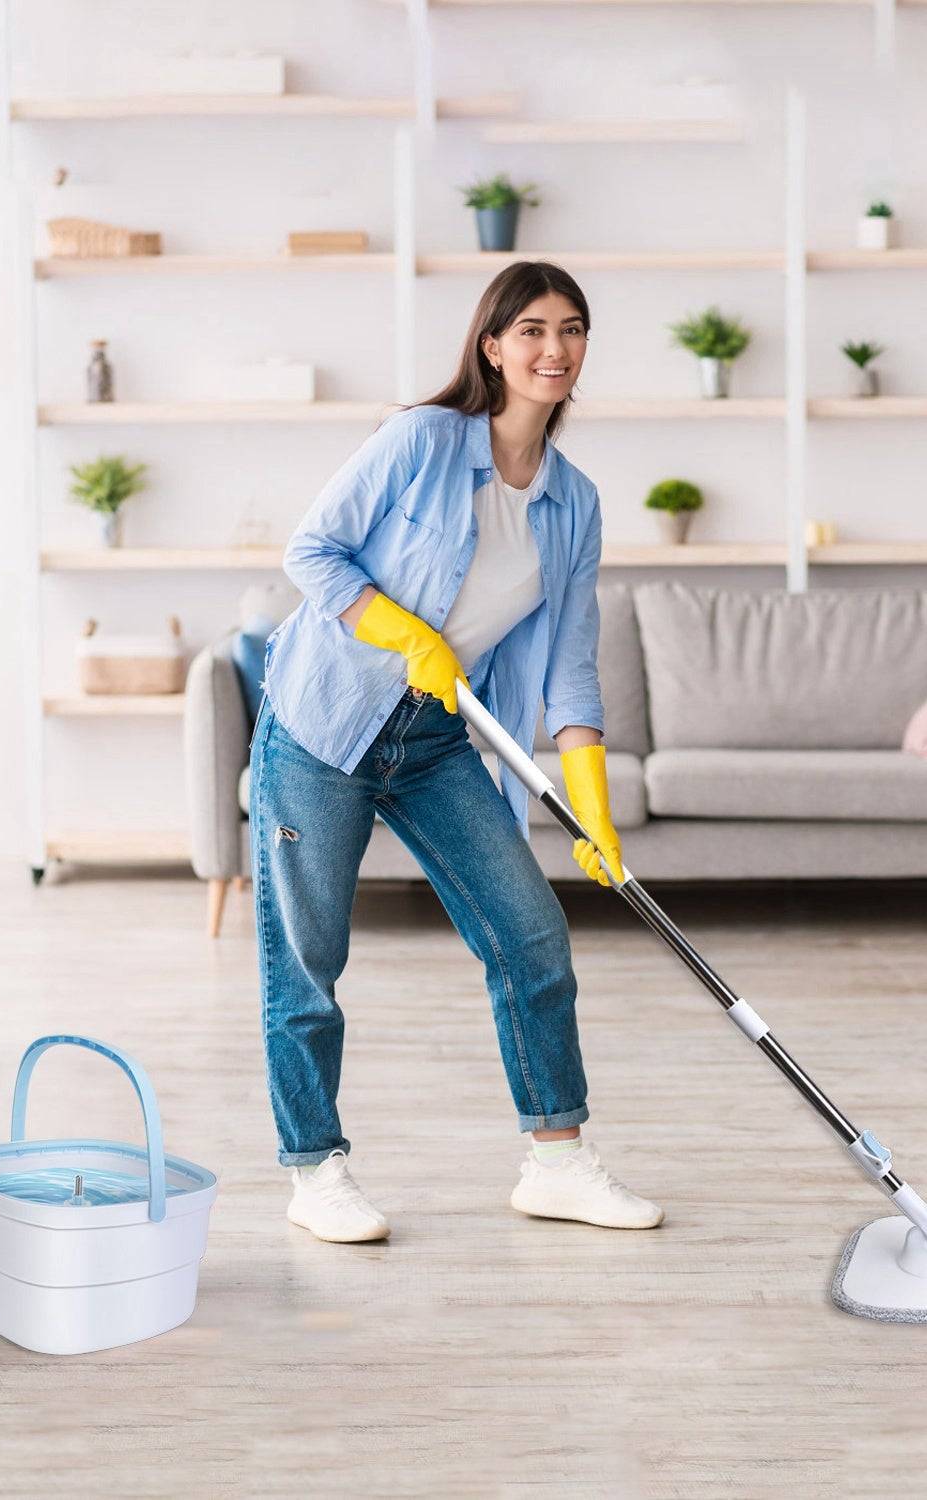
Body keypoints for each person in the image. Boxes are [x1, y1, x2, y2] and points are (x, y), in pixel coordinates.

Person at [251, 260, 664, 1243]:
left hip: (435, 743)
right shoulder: (422, 441)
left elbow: (569, 665)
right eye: (531, 331)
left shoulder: (575, 503)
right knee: (308, 961)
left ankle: (557, 1161)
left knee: (530, 937)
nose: (553, 350)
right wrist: (407, 633)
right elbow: (310, 551)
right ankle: (315, 1170)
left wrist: (593, 813)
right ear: (491, 345)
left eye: (571, 330)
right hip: (322, 724)